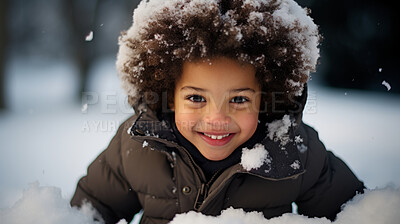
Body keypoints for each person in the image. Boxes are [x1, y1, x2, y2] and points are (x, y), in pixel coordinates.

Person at [70, 0, 365, 223]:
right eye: (196, 97)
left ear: (266, 98)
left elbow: (359, 214)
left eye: (238, 100)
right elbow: (90, 210)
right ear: (169, 95)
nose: (217, 119)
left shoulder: (295, 152)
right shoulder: (135, 147)